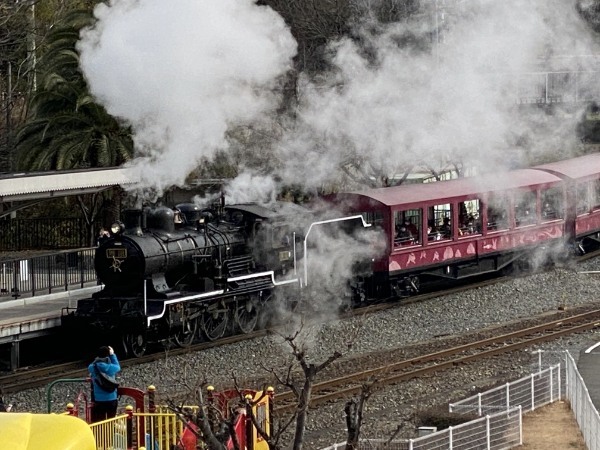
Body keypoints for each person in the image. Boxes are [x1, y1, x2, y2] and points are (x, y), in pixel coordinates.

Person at [89, 345, 120, 422]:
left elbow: (90, 366)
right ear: (108, 355)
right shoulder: (111, 367)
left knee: (100, 422)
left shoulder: (92, 367)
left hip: (99, 400)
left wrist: (97, 360)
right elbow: (118, 366)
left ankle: (101, 434)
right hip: (111, 398)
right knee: (111, 421)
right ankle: (110, 433)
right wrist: (112, 355)